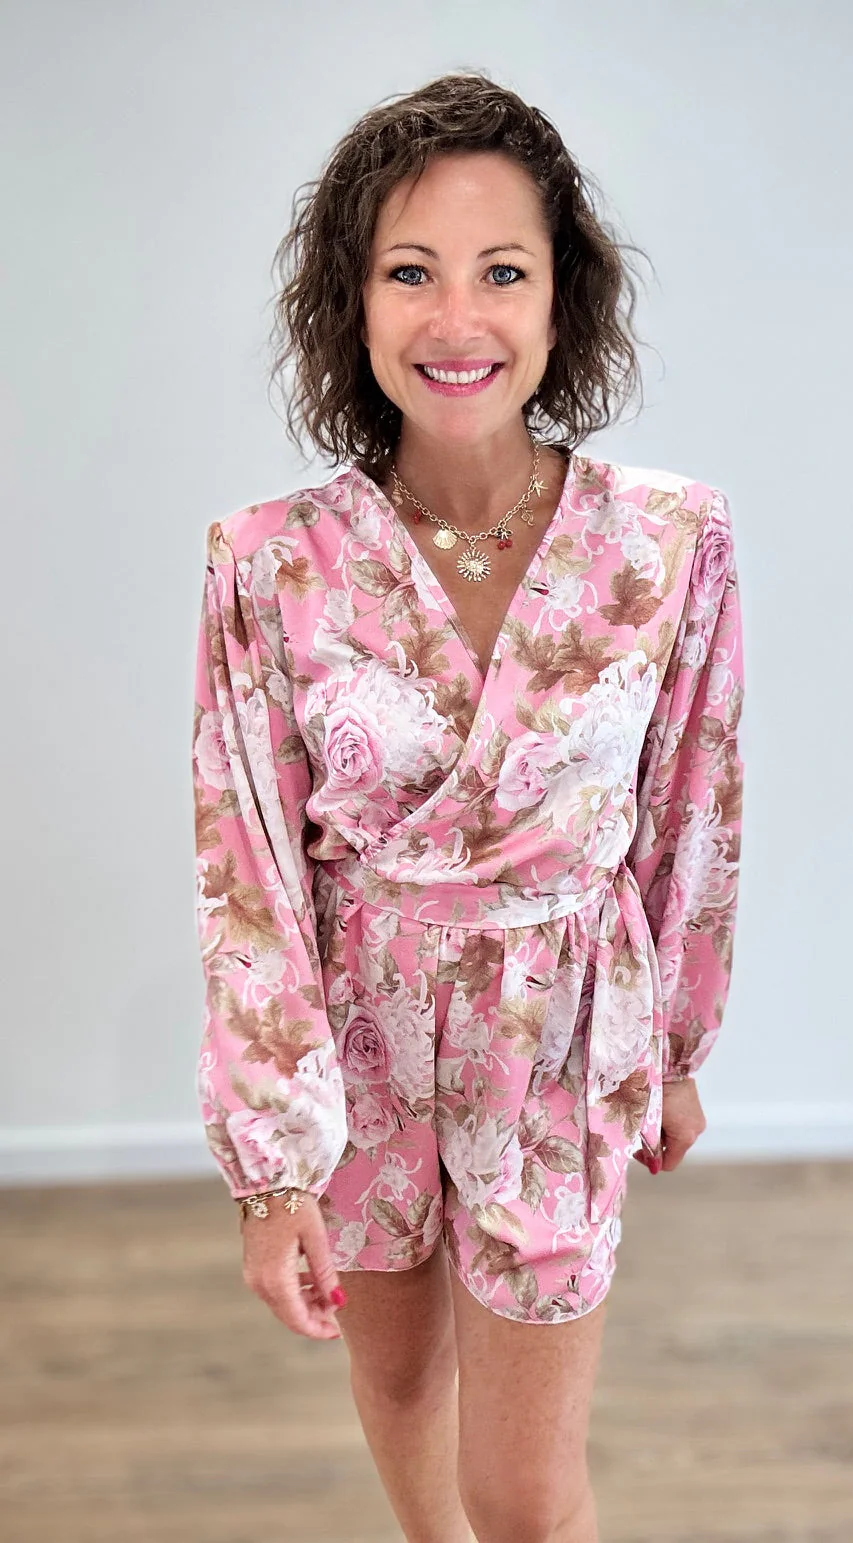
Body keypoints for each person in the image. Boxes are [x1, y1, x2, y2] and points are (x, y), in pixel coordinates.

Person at [191, 71, 744, 1543]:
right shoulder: (267, 561)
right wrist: (272, 1165)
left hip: (558, 1033)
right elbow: (247, 867)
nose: (457, 320)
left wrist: (677, 1047)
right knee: (400, 1387)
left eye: (502, 271)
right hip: (354, 1032)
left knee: (524, 1495)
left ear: (563, 299)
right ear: (352, 299)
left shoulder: (666, 543)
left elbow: (693, 809)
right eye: (410, 272)